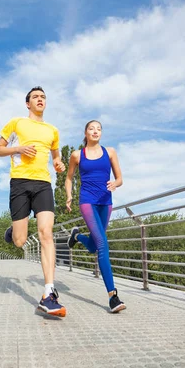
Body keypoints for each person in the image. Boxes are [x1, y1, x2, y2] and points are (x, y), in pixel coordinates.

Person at [0, 86, 67, 317]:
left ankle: (49, 294)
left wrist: (58, 164)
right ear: (28, 103)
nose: (40, 99)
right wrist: (19, 148)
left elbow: (56, 156)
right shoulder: (16, 123)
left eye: (43, 97)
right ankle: (12, 232)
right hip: (20, 182)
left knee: (46, 233)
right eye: (35, 97)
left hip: (43, 184)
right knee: (19, 240)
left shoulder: (52, 130)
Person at [65, 120, 126, 313]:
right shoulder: (77, 155)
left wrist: (115, 184)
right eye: (92, 128)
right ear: (85, 132)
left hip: (105, 202)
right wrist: (69, 196)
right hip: (87, 201)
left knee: (92, 246)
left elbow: (120, 178)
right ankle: (113, 296)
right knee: (102, 245)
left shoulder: (110, 152)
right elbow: (68, 177)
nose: (95, 131)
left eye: (99, 129)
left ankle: (77, 236)